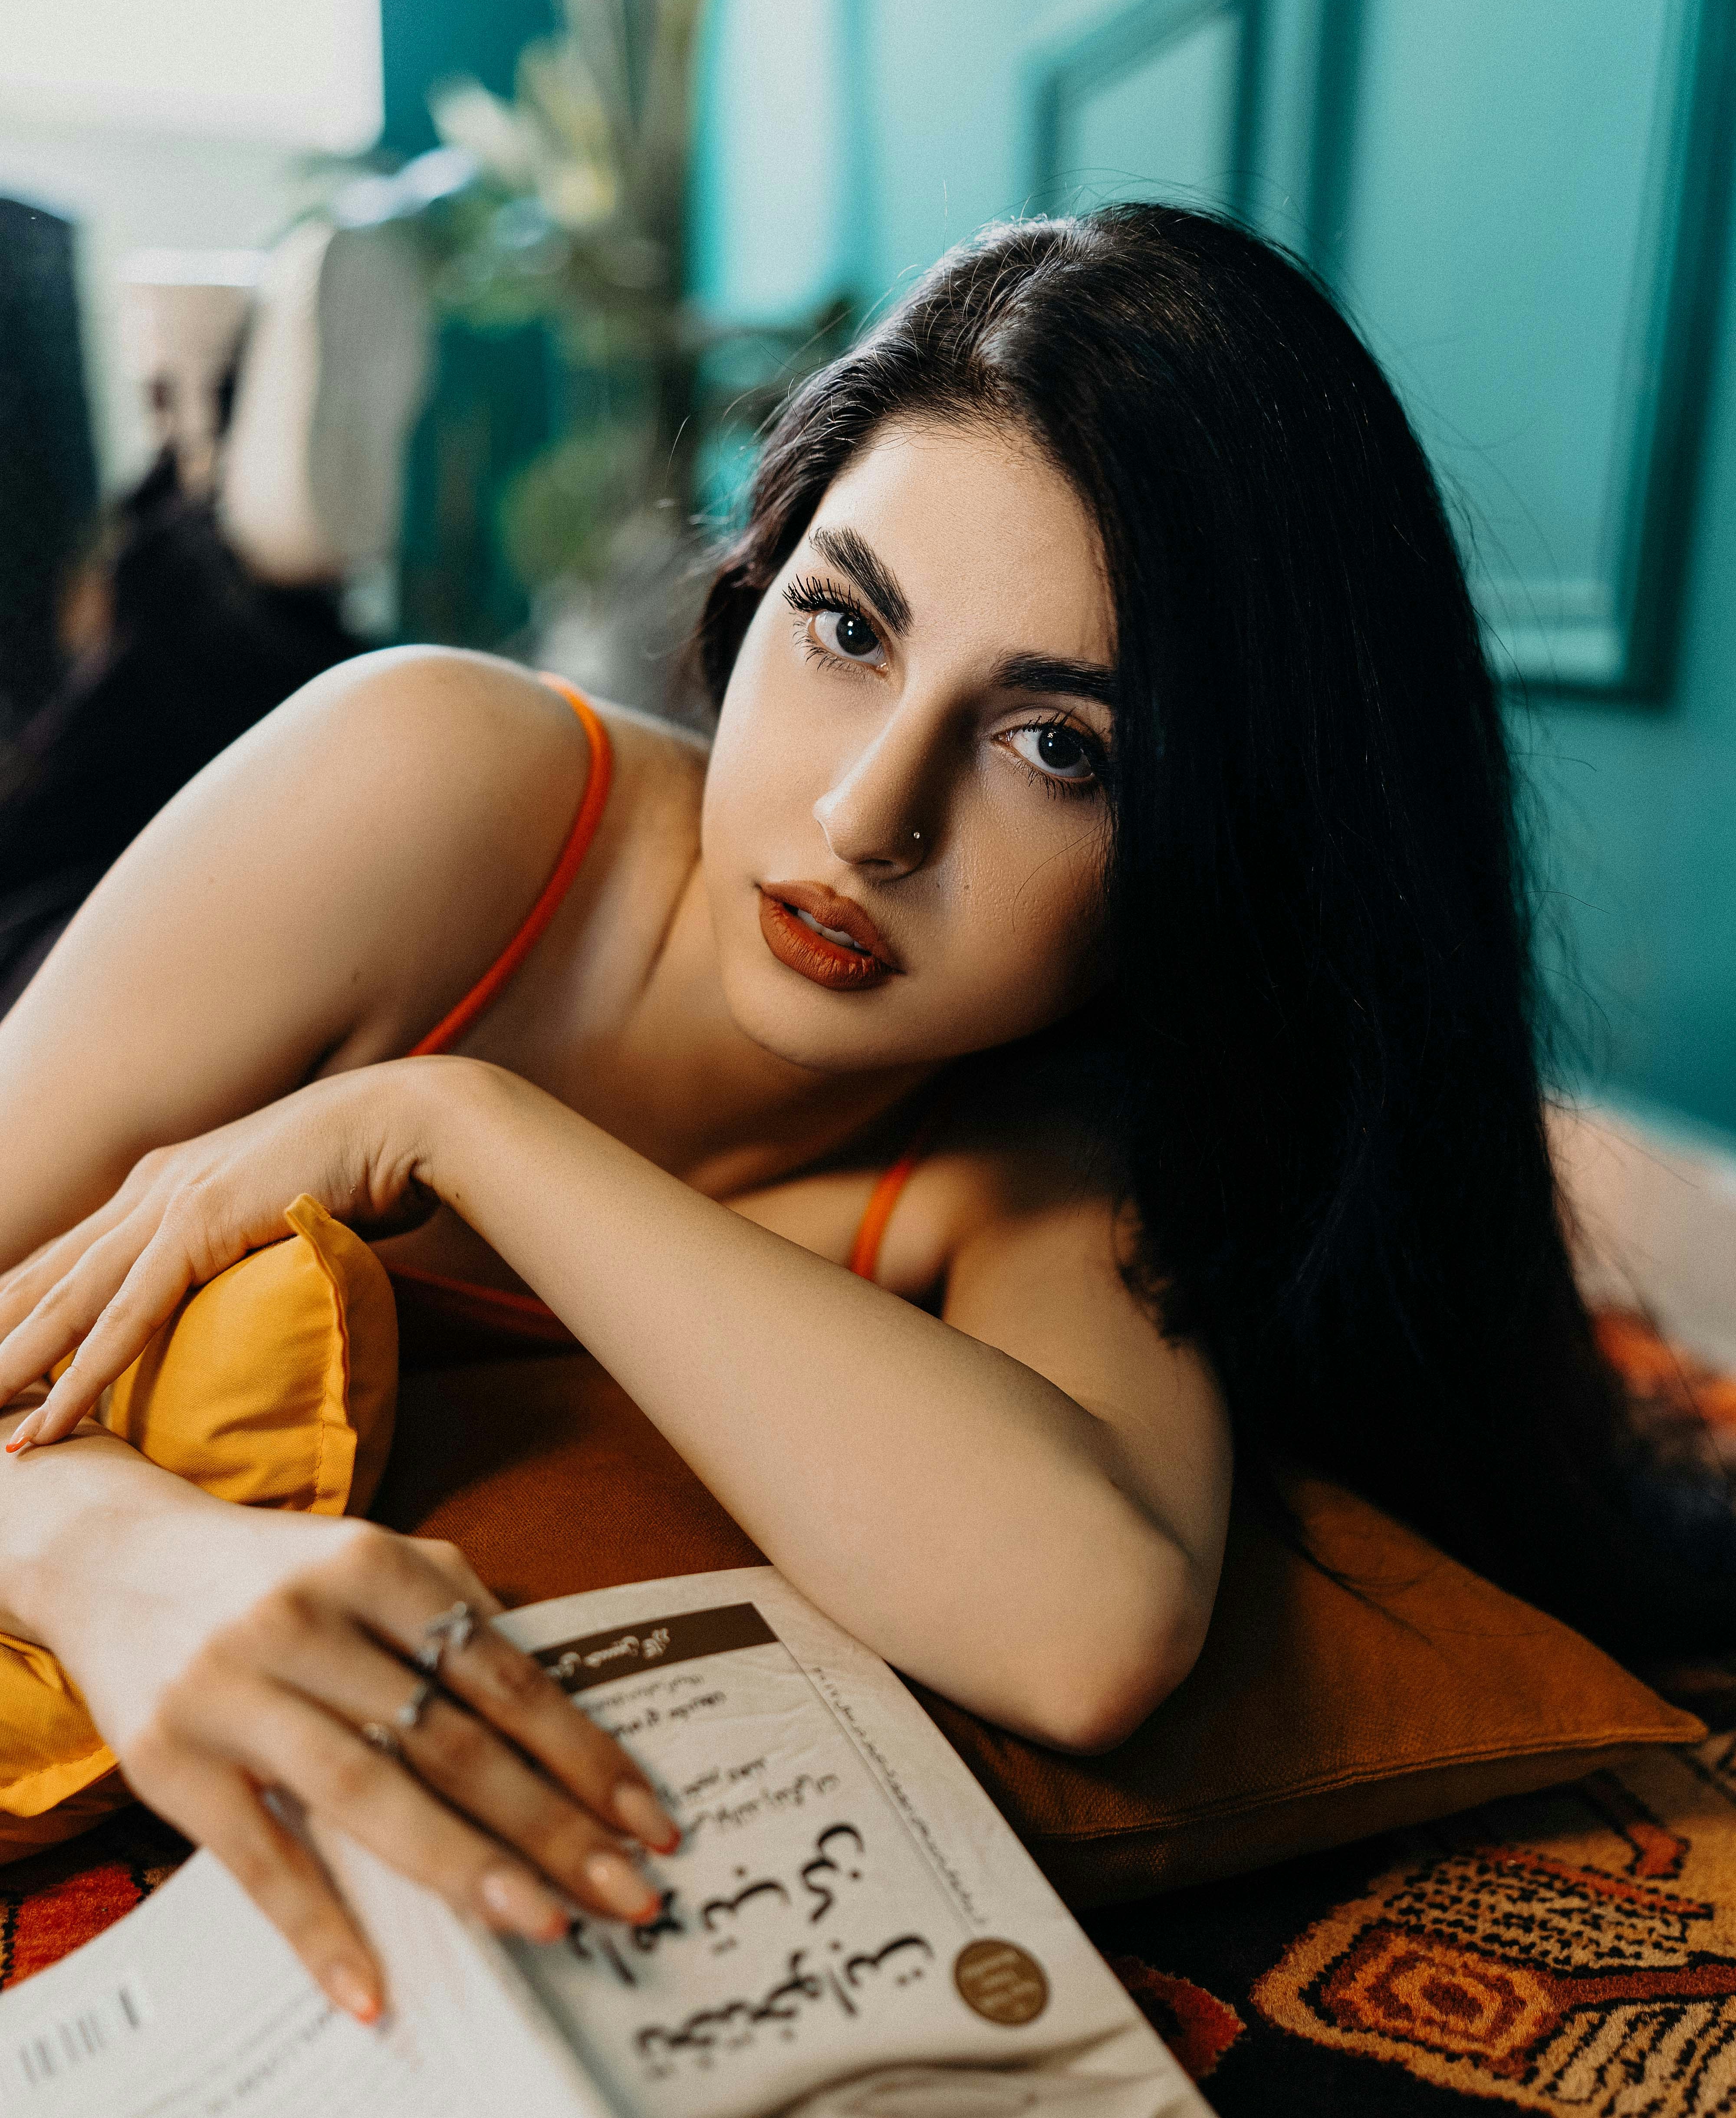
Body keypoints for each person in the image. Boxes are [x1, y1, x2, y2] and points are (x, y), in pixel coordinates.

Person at [0, 204, 1723, 2026]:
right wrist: (105, 1546)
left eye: (1060, 746)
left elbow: (1089, 1628)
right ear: (753, 587)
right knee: (71, 785)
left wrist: (466, 1121)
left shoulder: (1039, 1152)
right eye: (844, 625)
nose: (864, 819)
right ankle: (243, 538)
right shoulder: (431, 775)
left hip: (398, 1023)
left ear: (1217, 857)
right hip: (220, 928)